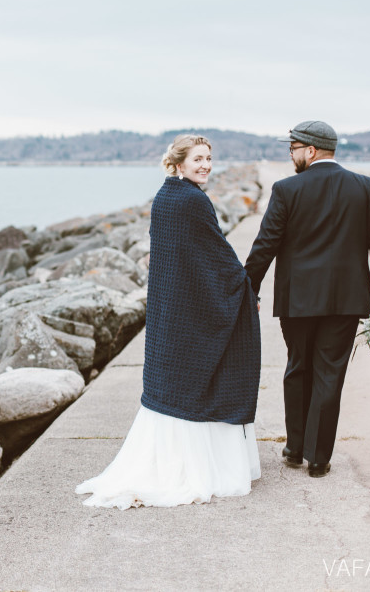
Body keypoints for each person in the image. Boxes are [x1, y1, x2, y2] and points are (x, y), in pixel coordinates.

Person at [75, 134, 262, 509]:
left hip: (169, 312)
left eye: (209, 158)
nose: (206, 165)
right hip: (186, 312)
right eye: (198, 159)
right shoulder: (193, 200)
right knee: (205, 376)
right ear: (178, 163)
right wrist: (244, 288)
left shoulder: (164, 197)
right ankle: (196, 469)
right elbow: (218, 256)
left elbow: (187, 257)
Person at [244, 120, 370, 478]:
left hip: (297, 301)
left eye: (293, 149)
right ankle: (318, 458)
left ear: (310, 151)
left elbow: (264, 245)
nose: (291, 156)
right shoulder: (366, 188)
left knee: (298, 367)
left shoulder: (286, 190)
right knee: (330, 373)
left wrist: (248, 289)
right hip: (345, 301)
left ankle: (295, 448)